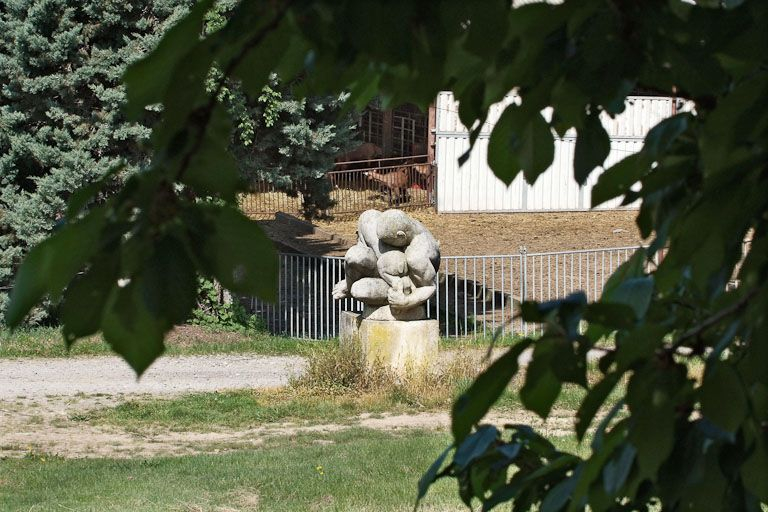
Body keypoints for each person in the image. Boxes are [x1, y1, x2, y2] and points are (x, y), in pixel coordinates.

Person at [332, 209, 440, 312]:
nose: (384, 244)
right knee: (368, 218)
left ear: (401, 236)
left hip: (400, 281)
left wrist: (406, 302)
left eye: (388, 242)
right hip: (386, 264)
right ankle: (350, 282)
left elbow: (430, 286)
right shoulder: (408, 223)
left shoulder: (417, 257)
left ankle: (352, 284)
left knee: (359, 289)